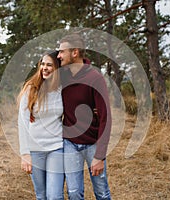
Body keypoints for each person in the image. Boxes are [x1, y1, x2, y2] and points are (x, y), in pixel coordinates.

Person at [57, 33, 112, 200]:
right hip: (70, 142)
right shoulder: (62, 75)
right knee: (73, 193)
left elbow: (105, 118)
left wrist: (100, 156)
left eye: (62, 51)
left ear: (74, 53)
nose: (58, 55)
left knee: (101, 191)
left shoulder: (95, 78)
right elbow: (45, 67)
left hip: (92, 143)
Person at [17, 50, 64, 200]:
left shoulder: (62, 89)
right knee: (41, 195)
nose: (44, 67)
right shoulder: (31, 89)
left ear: (57, 69)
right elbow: (22, 122)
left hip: (56, 147)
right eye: (42, 64)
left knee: (55, 196)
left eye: (49, 65)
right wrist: (25, 154)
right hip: (35, 150)